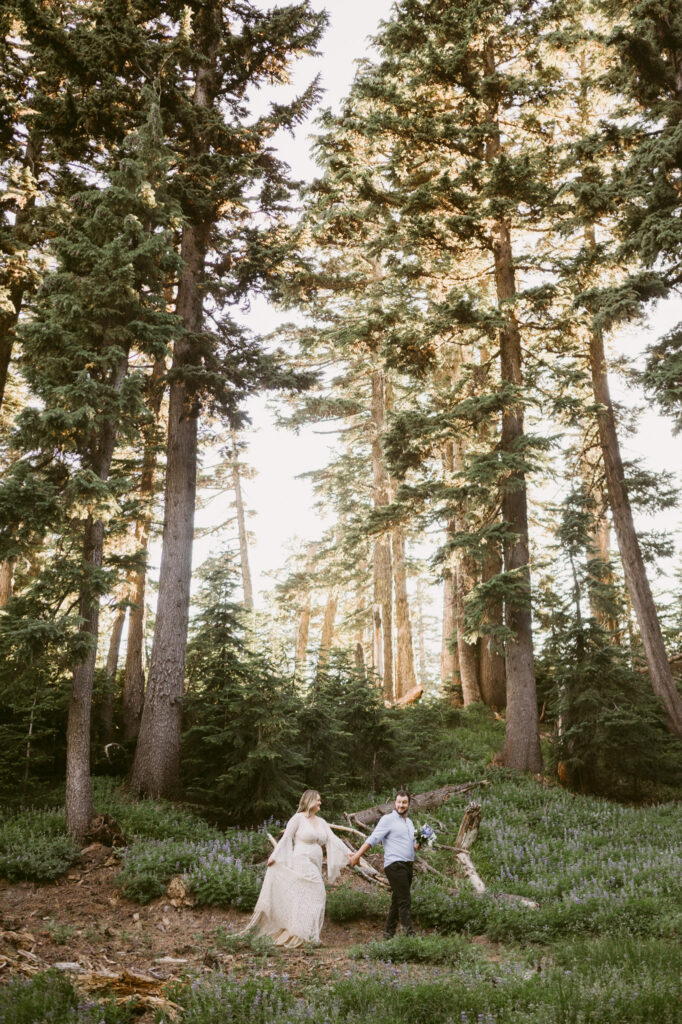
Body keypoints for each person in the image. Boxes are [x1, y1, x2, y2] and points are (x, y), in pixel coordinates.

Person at [242, 789, 349, 947]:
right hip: (301, 860)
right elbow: (286, 838)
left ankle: (303, 935)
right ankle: (307, 935)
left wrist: (351, 854)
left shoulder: (321, 822)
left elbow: (333, 839)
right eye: (318, 800)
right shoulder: (298, 819)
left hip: (316, 863)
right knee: (319, 894)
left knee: (305, 897)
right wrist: (274, 856)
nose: (320, 802)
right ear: (309, 801)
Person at [348, 790, 418, 939]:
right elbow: (373, 839)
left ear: (409, 804)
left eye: (404, 802)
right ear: (395, 803)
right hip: (394, 865)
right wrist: (357, 855)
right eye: (399, 802)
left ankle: (387, 935)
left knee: (397, 900)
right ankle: (410, 938)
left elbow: (413, 847)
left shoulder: (410, 823)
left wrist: (422, 841)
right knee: (405, 900)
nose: (401, 805)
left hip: (408, 866)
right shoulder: (388, 819)